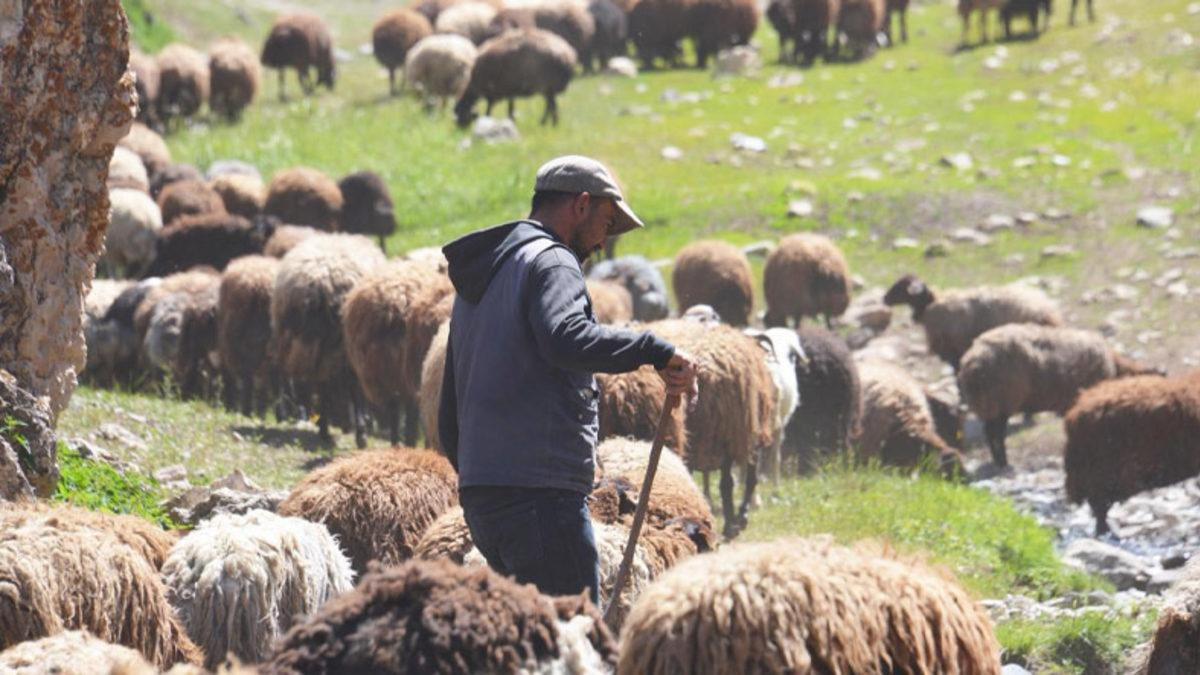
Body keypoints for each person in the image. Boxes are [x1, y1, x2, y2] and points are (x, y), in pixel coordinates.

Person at [438, 155, 698, 607]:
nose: (602, 242)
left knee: (531, 636)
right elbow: (565, 337)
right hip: (540, 498)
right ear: (580, 205)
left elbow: (450, 405)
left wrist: (483, 476)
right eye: (606, 222)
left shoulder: (487, 274)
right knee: (573, 632)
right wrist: (652, 350)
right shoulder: (554, 262)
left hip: (485, 497)